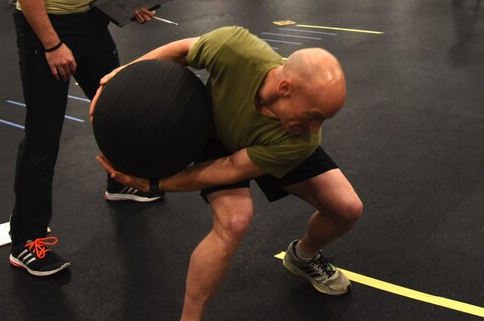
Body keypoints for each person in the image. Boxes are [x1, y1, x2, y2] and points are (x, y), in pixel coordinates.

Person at [93, 26, 362, 321]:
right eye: (314, 116)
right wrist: (123, 76)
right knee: (234, 221)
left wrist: (154, 183)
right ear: (285, 89)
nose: (317, 129)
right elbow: (183, 50)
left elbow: (234, 167)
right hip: (214, 132)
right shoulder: (236, 49)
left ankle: (303, 255)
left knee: (347, 208)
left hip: (272, 143)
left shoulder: (302, 137)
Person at [8, 0, 155, 278]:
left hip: (89, 19)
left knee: (113, 106)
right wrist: (52, 44)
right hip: (43, 27)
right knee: (44, 136)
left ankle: (119, 182)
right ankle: (27, 240)